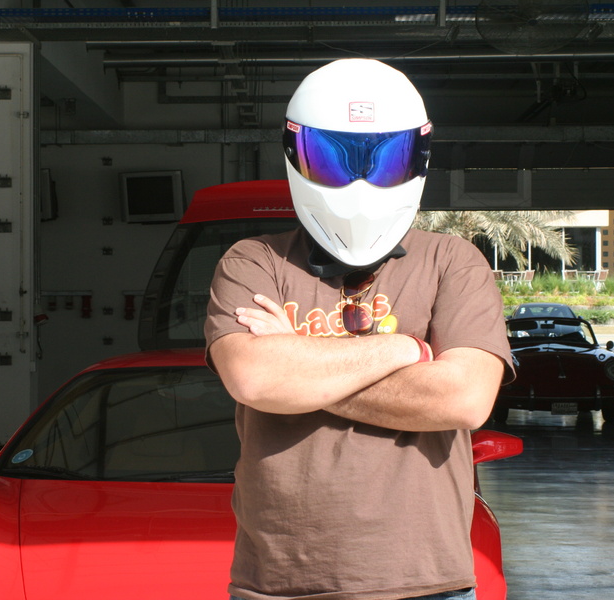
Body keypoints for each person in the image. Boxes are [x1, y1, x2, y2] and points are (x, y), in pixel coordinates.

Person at [205, 59, 514, 600]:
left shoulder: (452, 261)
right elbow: (255, 379)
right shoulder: (253, 261)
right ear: (294, 152)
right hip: (281, 581)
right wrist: (405, 349)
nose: (360, 181)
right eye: (331, 158)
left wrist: (296, 360)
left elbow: (464, 399)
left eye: (386, 159)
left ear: (418, 156)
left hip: (425, 582)